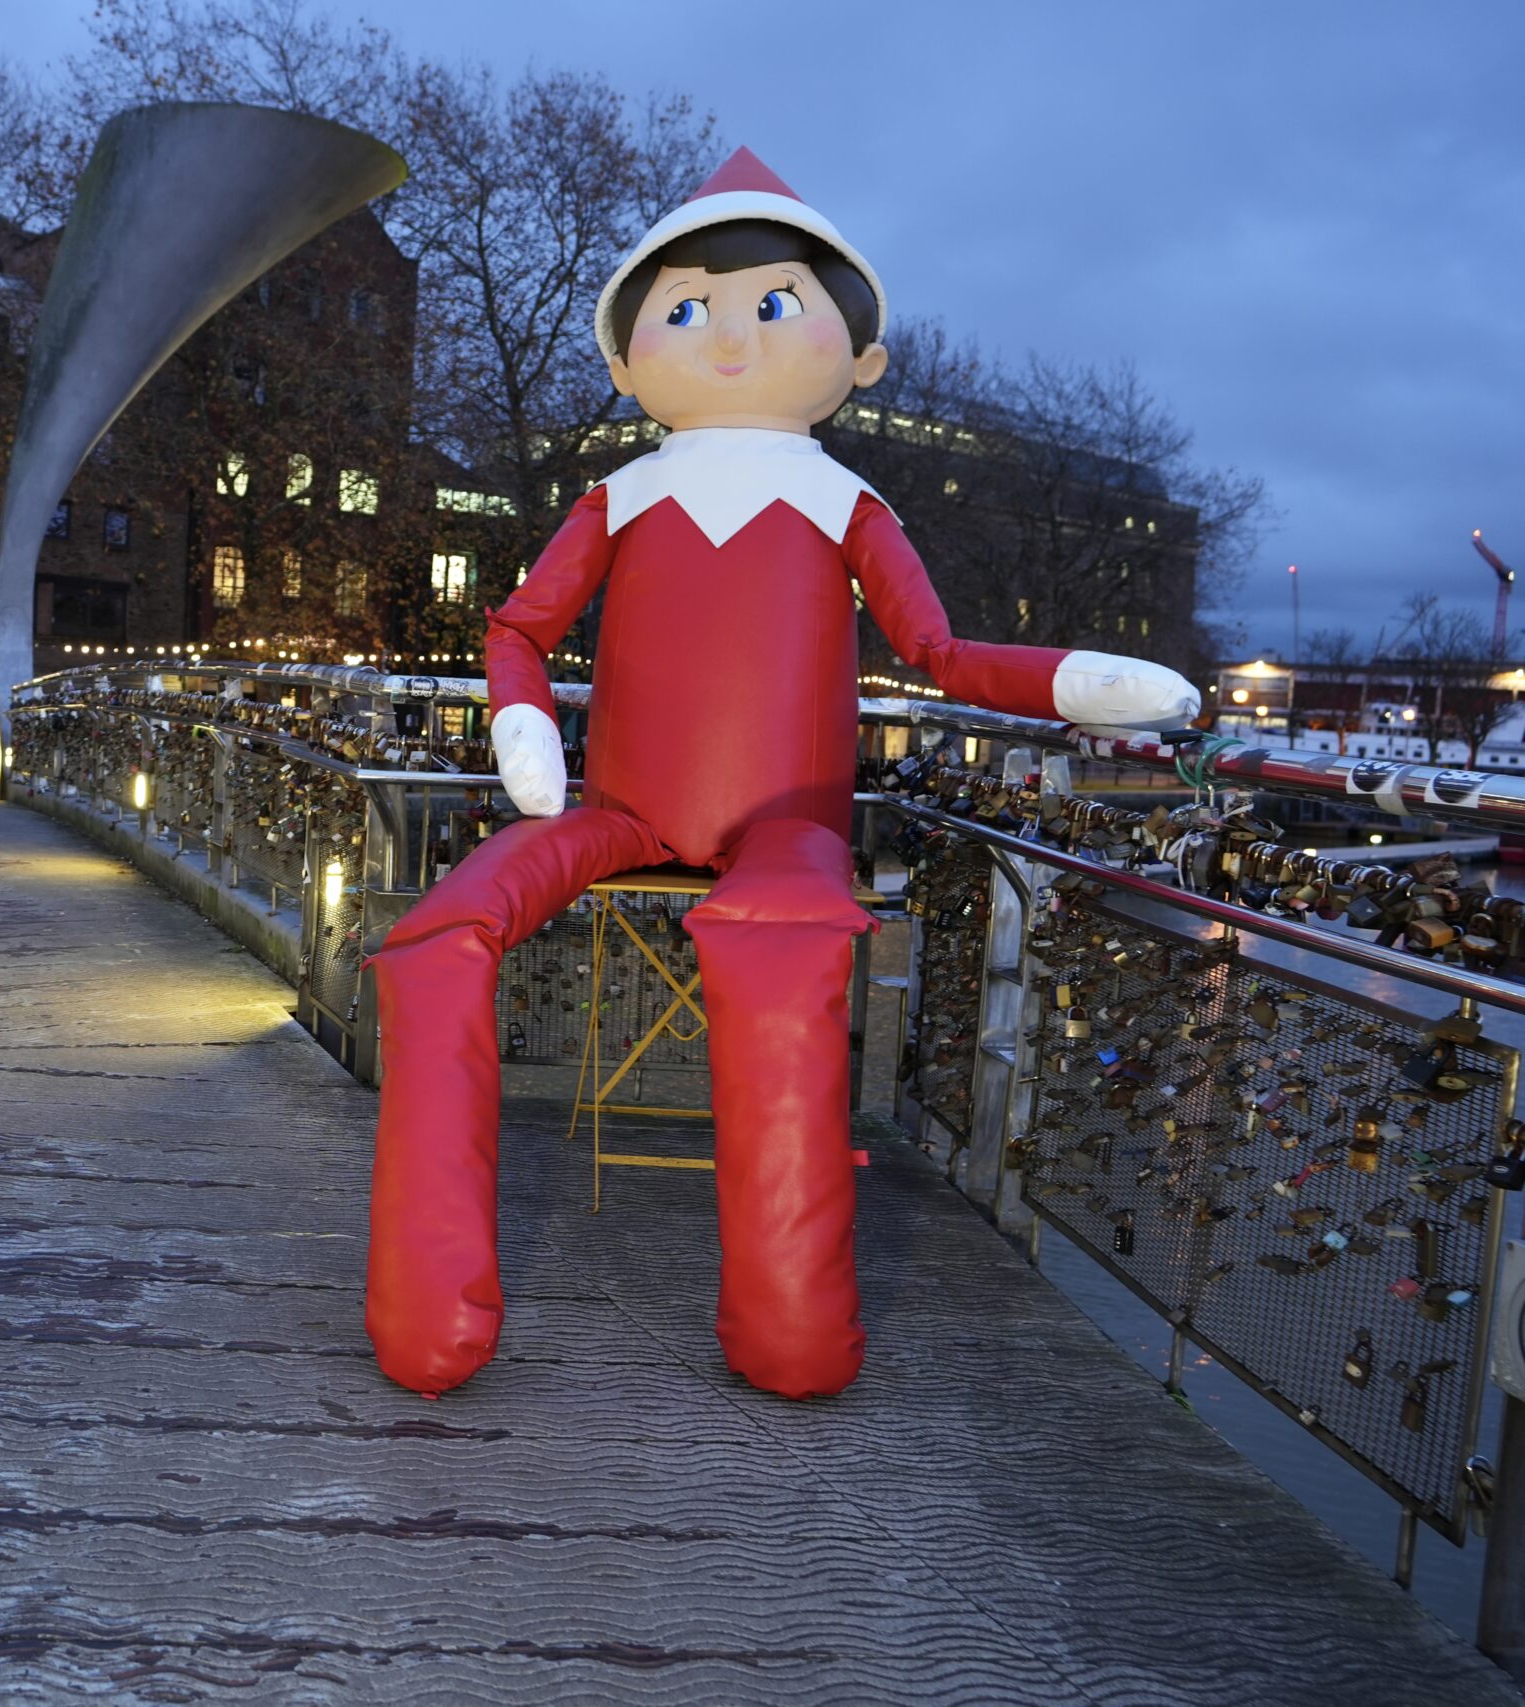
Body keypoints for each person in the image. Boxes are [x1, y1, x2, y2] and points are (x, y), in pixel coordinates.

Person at [363, 147, 1200, 1403]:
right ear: (626, 359)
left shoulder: (841, 501)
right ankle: (426, 1304)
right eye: (688, 309)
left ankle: (790, 1321)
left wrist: (1074, 680)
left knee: (783, 931)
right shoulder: (618, 496)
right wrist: (521, 722)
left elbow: (939, 654)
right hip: (618, 809)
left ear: (860, 362)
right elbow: (518, 628)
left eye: (769, 305)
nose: (728, 337)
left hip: (785, 820)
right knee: (441, 932)